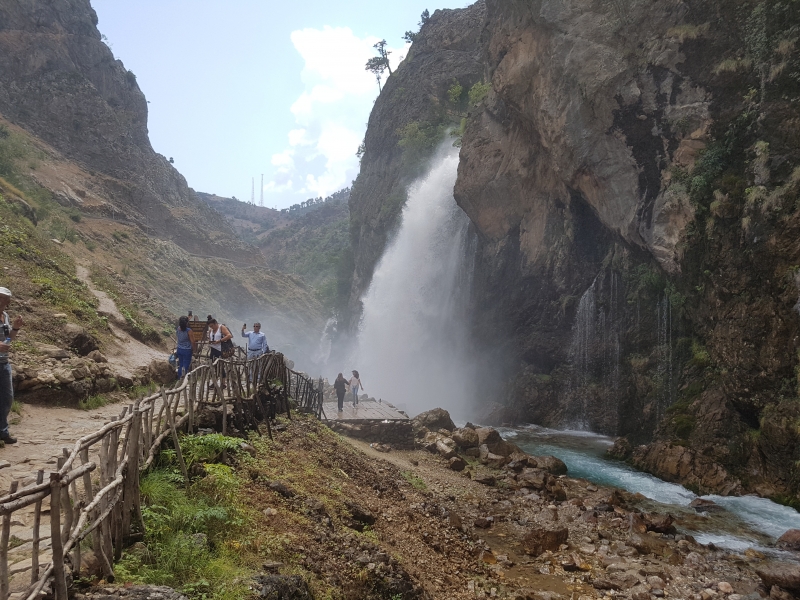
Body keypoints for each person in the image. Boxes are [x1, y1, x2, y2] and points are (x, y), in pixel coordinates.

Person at [0, 287, 22, 444]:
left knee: (7, 398)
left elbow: (9, 338)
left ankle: (2, 432)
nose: (1, 301)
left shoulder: (5, 316)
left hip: (4, 363)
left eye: (4, 299)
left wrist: (15, 327)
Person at [207, 319, 232, 388]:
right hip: (213, 349)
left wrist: (220, 340)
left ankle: (223, 383)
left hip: (220, 349)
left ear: (215, 323)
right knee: (213, 366)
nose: (212, 327)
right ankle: (214, 382)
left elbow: (229, 335)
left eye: (212, 325)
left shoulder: (221, 327)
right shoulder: (210, 330)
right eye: (210, 326)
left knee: (221, 366)